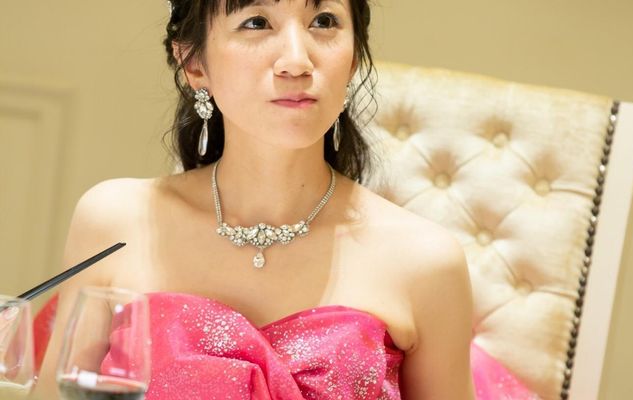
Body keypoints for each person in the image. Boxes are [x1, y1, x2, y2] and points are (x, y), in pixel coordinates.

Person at [34, 0, 476, 398]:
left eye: (324, 21)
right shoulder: (117, 222)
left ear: (354, 57)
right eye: (256, 22)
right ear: (194, 63)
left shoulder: (425, 262)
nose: (296, 61)